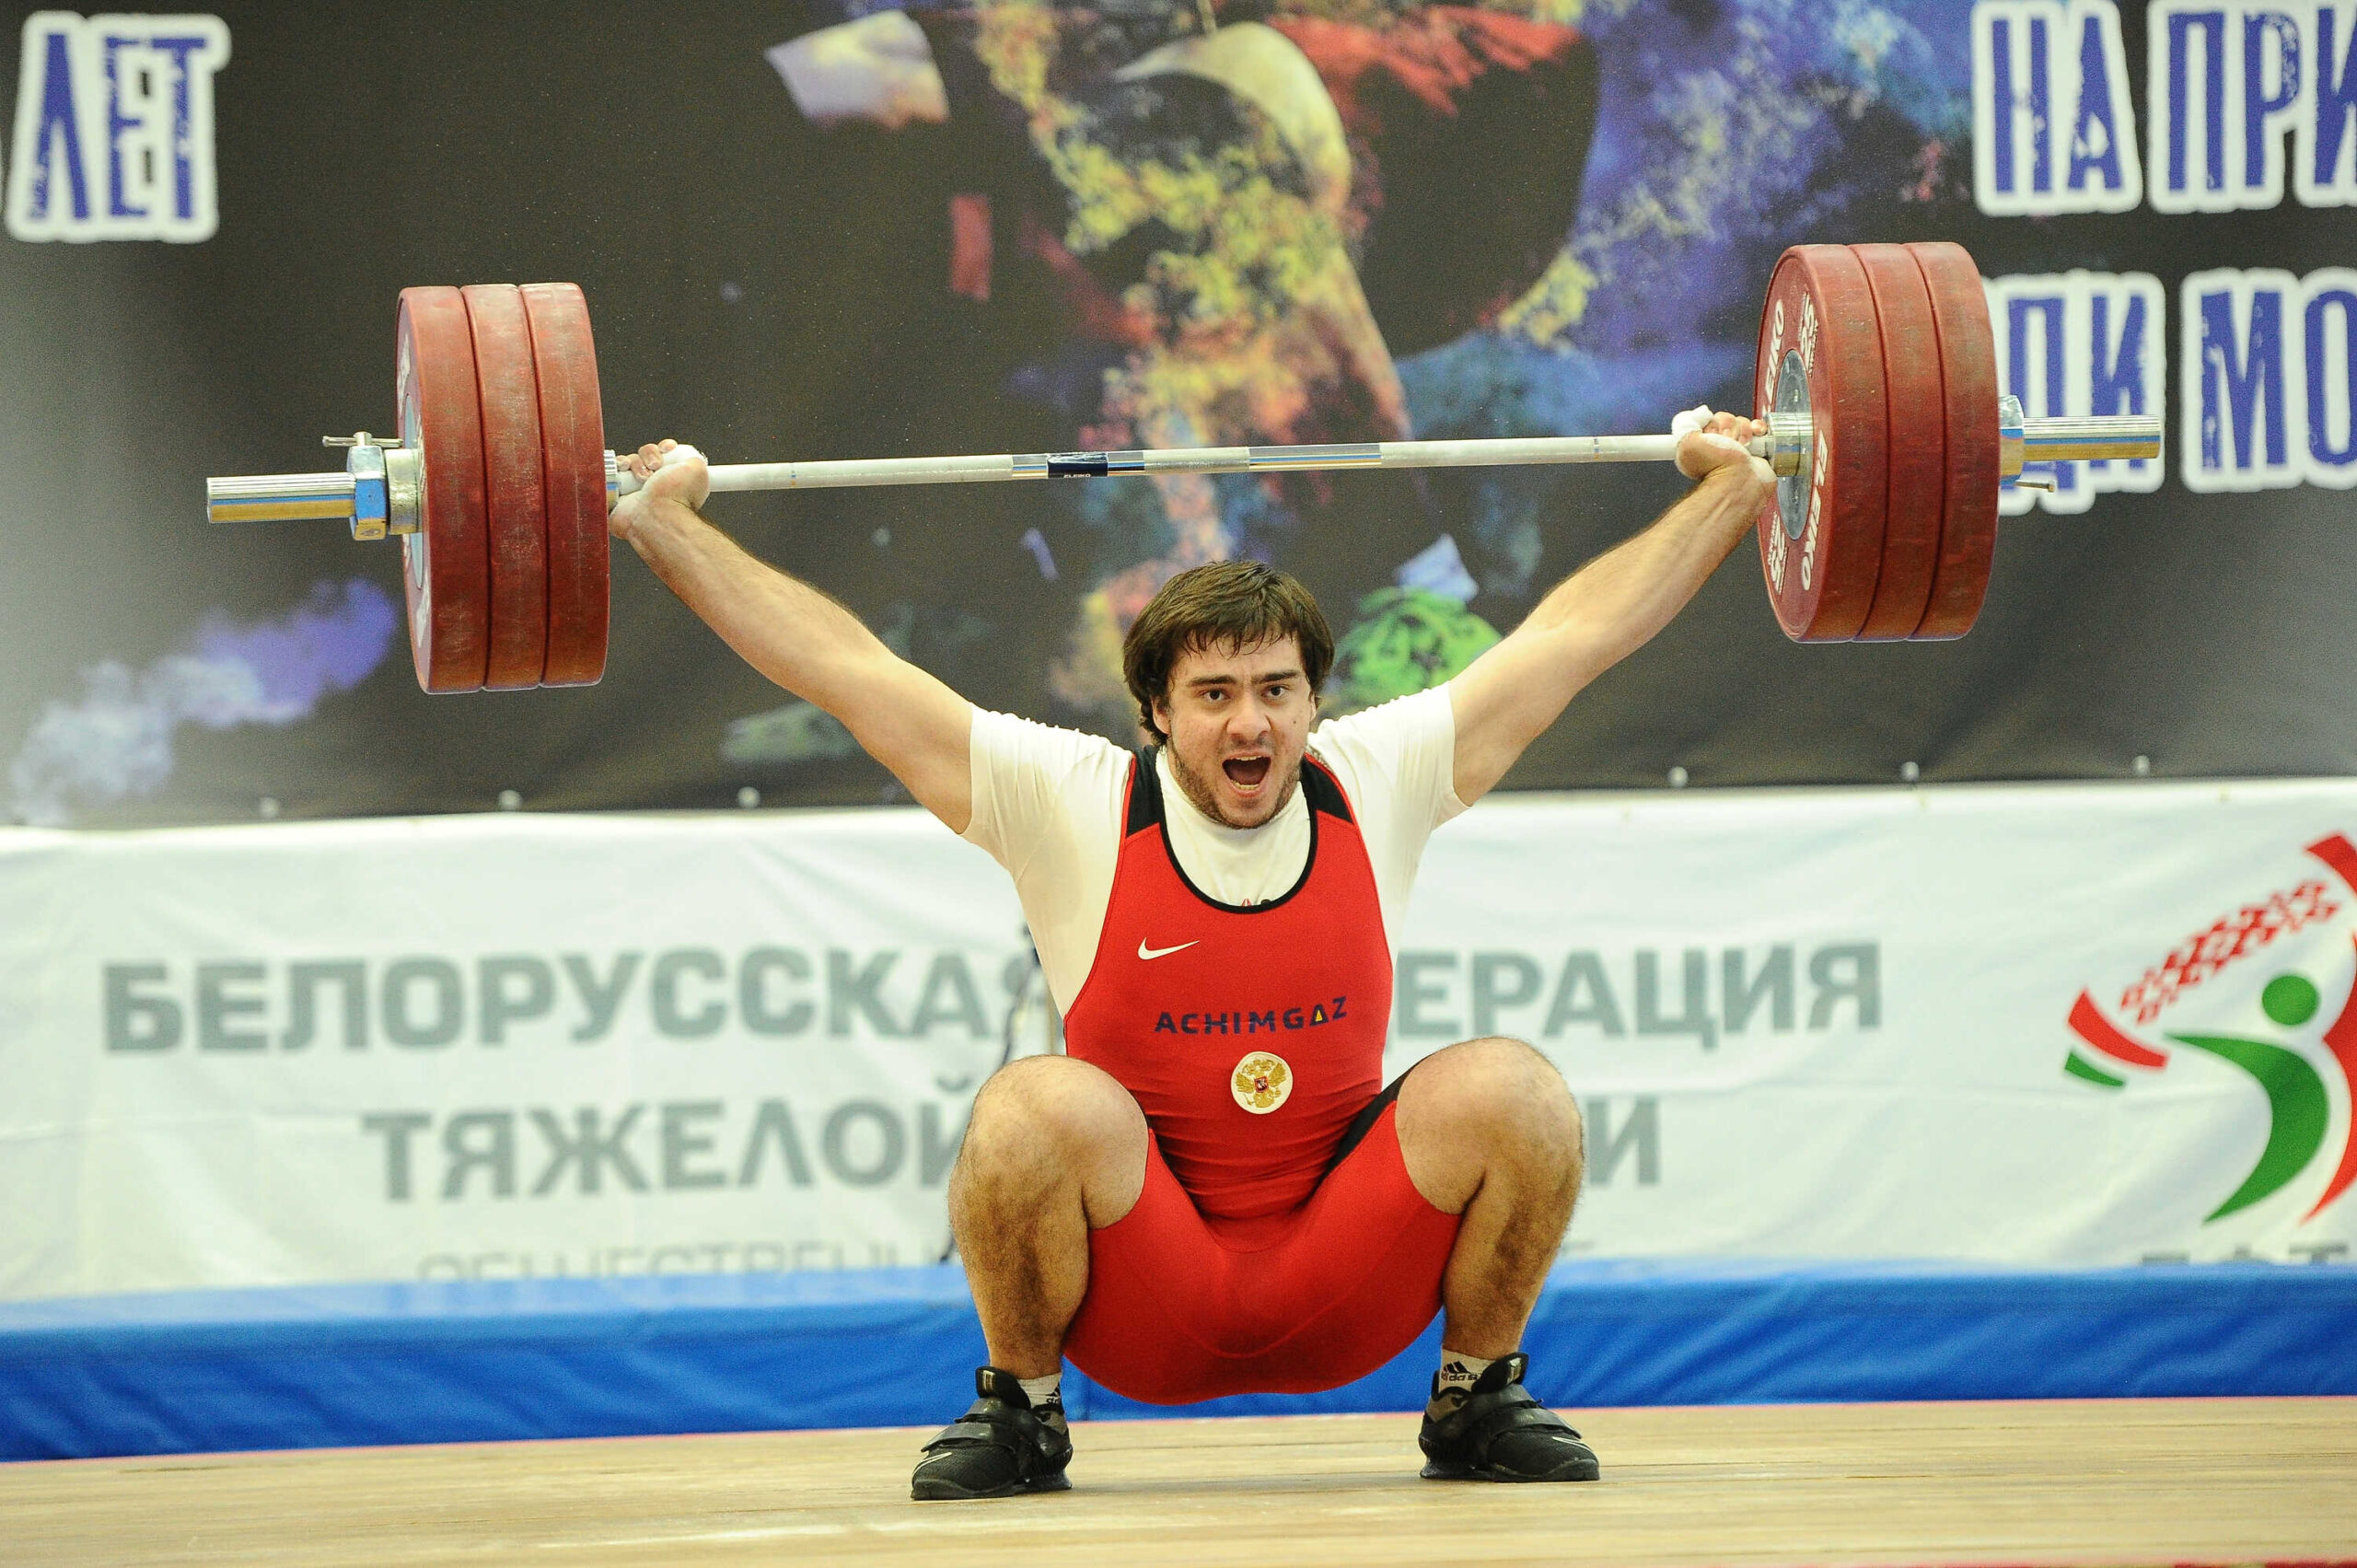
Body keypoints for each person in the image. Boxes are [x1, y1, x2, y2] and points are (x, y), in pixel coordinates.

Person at [608, 412, 1775, 1498]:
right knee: (1028, 1106)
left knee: (1517, 1091)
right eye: (1212, 693)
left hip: (1344, 1282)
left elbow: (1576, 636)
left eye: (1276, 690)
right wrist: (667, 526)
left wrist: (1732, 493)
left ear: (1316, 700)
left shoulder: (1377, 778)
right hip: (1138, 1301)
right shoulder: (1067, 797)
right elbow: (843, 669)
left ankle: (1475, 1398)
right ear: (1156, 710)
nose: (1250, 723)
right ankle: (1021, 1410)